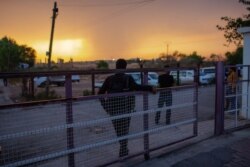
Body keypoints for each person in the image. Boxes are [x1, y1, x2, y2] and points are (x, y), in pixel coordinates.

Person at [98, 59, 156, 157]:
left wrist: (106, 107)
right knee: (125, 129)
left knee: (118, 130)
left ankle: (123, 149)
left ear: (116, 67)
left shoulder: (109, 79)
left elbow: (100, 94)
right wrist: (150, 88)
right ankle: (123, 148)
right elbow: (137, 87)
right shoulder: (128, 78)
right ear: (125, 67)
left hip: (112, 109)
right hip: (126, 108)